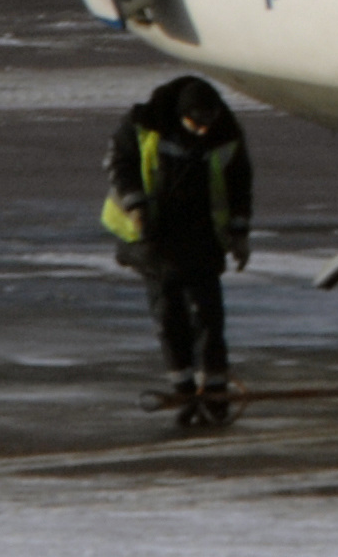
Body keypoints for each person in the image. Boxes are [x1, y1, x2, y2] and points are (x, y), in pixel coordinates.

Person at [104, 74, 253, 422]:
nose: (202, 131)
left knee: (207, 318)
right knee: (169, 316)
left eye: (208, 123)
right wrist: (136, 206)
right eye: (195, 123)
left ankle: (215, 393)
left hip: (201, 238)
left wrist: (239, 232)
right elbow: (119, 164)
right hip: (156, 239)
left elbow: (240, 184)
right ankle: (184, 390)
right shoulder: (143, 125)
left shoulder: (225, 135)